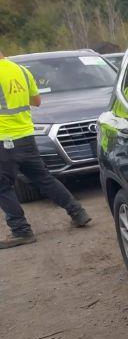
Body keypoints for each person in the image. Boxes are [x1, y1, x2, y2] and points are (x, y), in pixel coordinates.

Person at [0, 51, 91, 249]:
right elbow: (36, 101)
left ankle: (21, 231)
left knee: (2, 186)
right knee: (43, 178)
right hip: (26, 136)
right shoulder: (21, 70)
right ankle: (78, 212)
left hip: (3, 140)